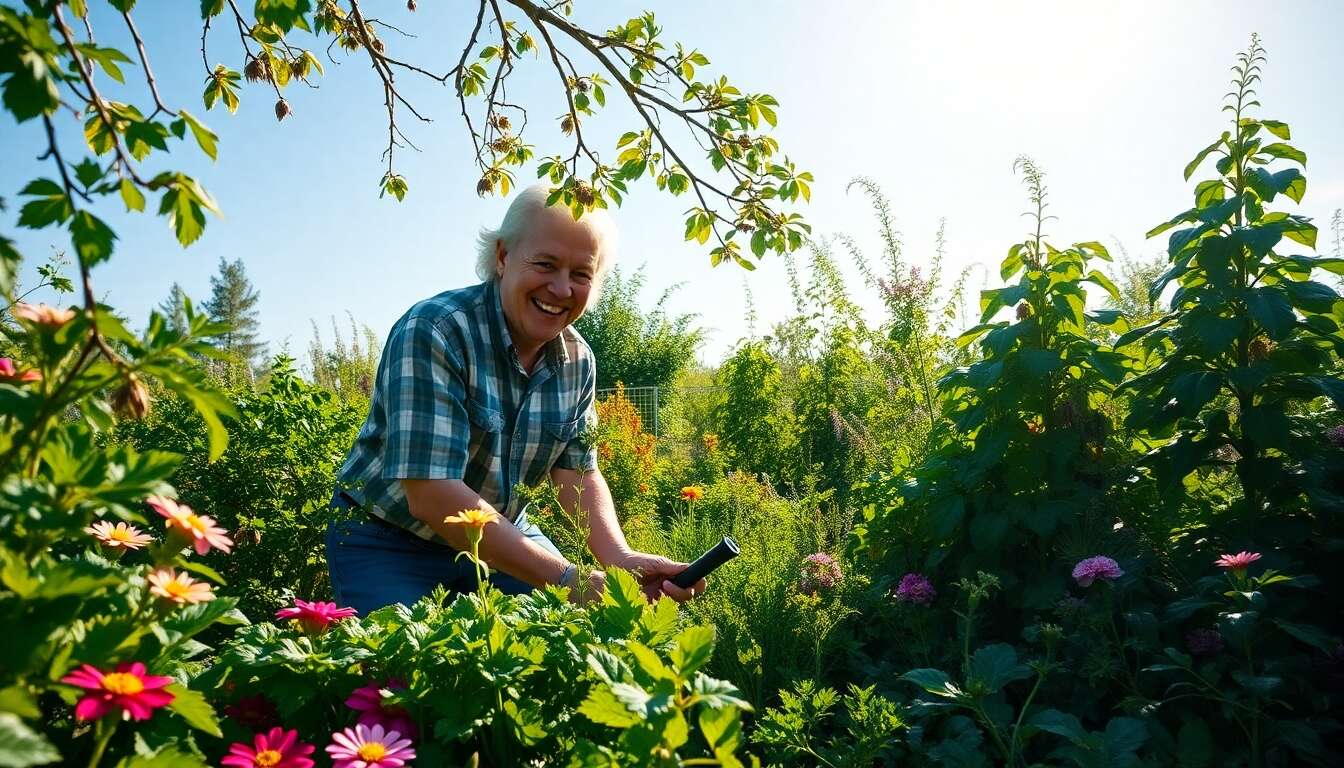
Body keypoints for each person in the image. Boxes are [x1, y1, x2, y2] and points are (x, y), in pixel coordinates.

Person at [326, 184, 705, 614]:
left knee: (574, 636)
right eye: (546, 264)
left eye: (581, 274)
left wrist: (620, 560)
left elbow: (578, 474)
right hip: (388, 539)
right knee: (405, 655)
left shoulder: (577, 360)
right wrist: (568, 580)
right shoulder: (436, 331)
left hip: (502, 532)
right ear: (503, 257)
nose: (561, 288)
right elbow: (431, 494)